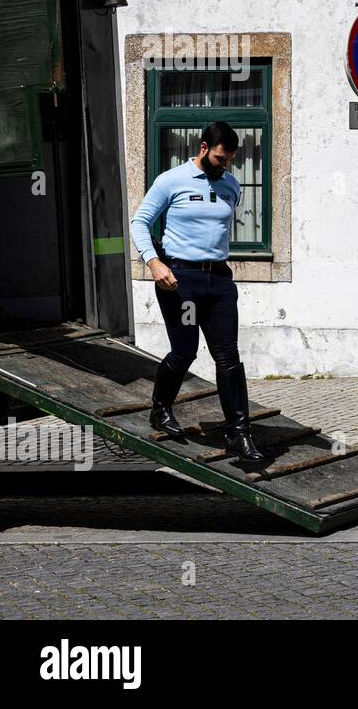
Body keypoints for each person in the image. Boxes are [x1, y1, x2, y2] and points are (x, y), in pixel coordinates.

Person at [129, 121, 263, 461]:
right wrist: (154, 263)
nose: (225, 165)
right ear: (203, 148)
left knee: (228, 356)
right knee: (184, 352)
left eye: (230, 159)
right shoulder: (171, 181)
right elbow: (139, 222)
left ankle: (240, 433)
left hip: (217, 282)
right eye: (220, 158)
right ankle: (160, 409)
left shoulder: (232, 185)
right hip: (180, 281)